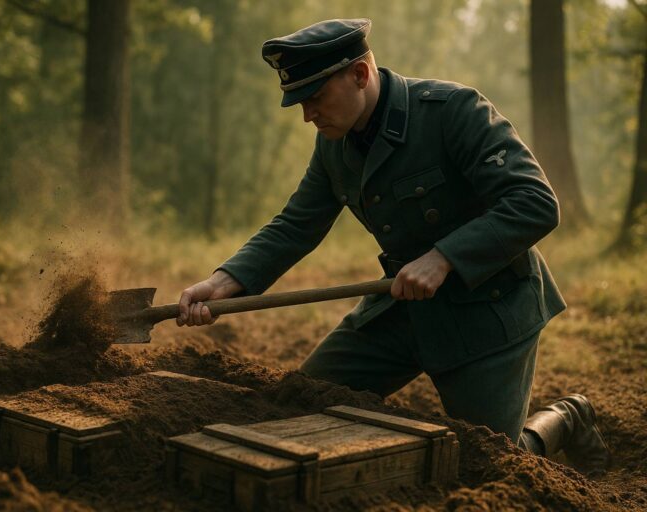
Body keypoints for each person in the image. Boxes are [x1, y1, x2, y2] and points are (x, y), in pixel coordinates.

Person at [176, 18, 610, 475]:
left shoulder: (453, 111)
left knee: (489, 462)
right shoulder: (334, 145)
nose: (308, 115)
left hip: (487, 310)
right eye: (300, 103)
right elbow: (295, 225)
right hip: (403, 306)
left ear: (360, 75)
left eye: (316, 98)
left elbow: (536, 202)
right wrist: (225, 281)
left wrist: (444, 258)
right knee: (299, 401)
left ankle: (567, 416)